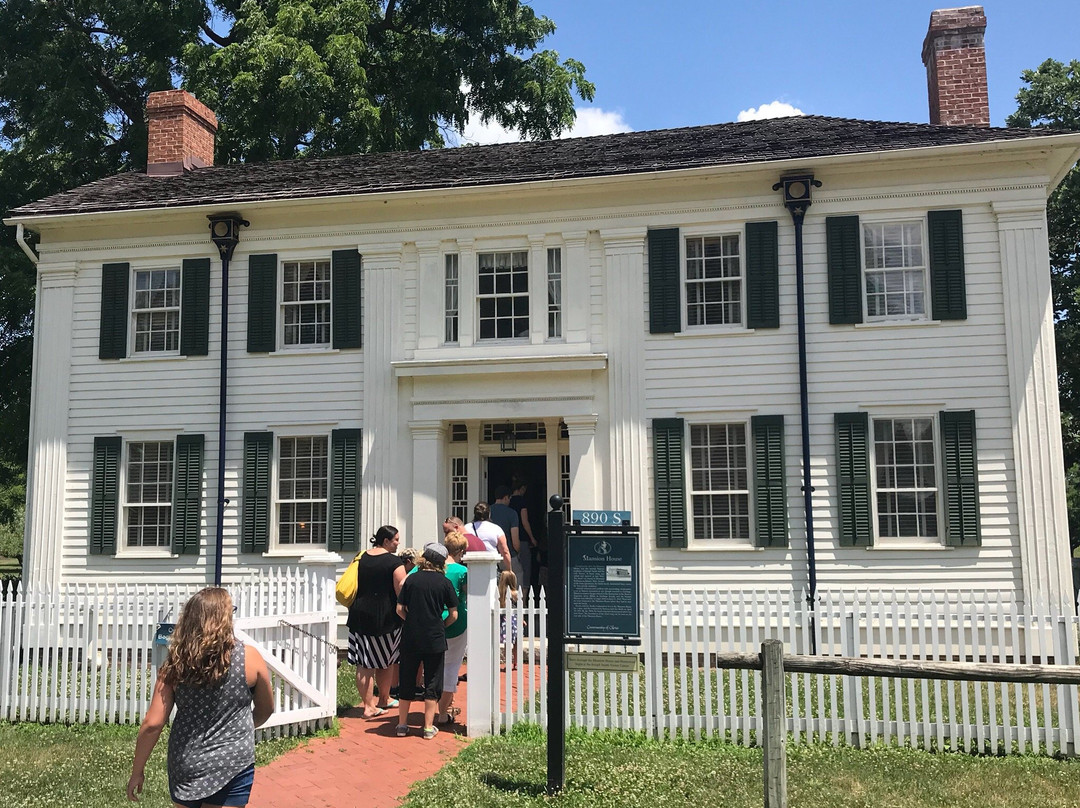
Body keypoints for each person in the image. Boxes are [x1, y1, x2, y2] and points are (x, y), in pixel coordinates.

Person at [127, 587, 274, 807]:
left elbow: (153, 724)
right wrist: (239, 729)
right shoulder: (249, 658)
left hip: (187, 762)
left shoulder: (175, 663)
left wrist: (137, 771)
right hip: (233, 762)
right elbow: (266, 708)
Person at [395, 543, 459, 739]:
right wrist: (441, 626)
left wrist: (412, 622)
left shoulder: (411, 580)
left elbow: (399, 609)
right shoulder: (444, 582)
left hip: (411, 636)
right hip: (434, 637)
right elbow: (454, 614)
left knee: (407, 677)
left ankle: (402, 725)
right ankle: (428, 727)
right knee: (433, 680)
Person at [347, 525, 407, 718]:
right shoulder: (394, 562)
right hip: (386, 618)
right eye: (395, 540)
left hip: (359, 613)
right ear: (386, 541)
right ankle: (376, 703)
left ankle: (375, 702)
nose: (398, 543)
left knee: (365, 662)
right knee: (385, 661)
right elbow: (402, 590)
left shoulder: (361, 557)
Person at [436, 531, 469, 725]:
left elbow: (405, 582)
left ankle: (444, 706)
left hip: (432, 621)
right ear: (461, 551)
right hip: (456, 622)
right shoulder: (462, 571)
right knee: (451, 666)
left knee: (435, 666)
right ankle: (442, 712)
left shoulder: (432, 567)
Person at [509, 478, 536, 600]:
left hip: (510, 540)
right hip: (523, 539)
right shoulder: (522, 502)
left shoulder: (508, 501)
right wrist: (532, 538)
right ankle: (523, 600)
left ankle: (511, 598)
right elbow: (525, 522)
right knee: (525, 569)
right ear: (522, 489)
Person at [464, 501, 512, 570]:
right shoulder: (496, 529)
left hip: (471, 566)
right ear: (489, 514)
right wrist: (509, 569)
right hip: (491, 566)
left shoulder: (466, 528)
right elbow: (505, 551)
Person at [490, 484, 521, 569]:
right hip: (508, 554)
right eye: (509, 498)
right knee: (517, 576)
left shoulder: (487, 512)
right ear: (506, 497)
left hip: (491, 556)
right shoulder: (512, 513)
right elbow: (515, 542)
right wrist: (518, 552)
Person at [498, 569, 519, 670]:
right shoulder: (515, 593)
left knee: (508, 643)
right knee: (516, 643)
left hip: (505, 619)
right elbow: (519, 608)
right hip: (515, 619)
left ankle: (508, 662)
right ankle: (516, 662)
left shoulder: (500, 593)